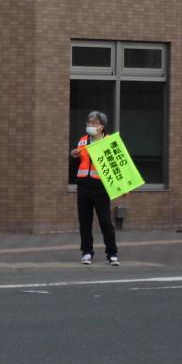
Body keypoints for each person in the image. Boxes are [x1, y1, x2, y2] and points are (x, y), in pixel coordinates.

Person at [70, 110, 120, 266]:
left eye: (94, 123)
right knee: (84, 221)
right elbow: (78, 159)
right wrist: (74, 154)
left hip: (101, 187)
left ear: (101, 126)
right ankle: (86, 252)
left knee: (105, 221)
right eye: (89, 122)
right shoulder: (83, 140)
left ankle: (112, 254)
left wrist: (122, 186)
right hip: (84, 185)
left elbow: (119, 166)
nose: (90, 125)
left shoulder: (110, 141)